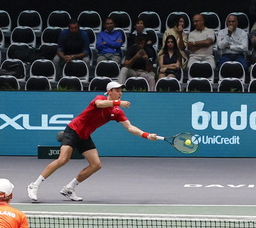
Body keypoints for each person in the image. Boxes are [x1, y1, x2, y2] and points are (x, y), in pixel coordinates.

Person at [26, 81, 159, 203]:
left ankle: (69, 188)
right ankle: (34, 185)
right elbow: (99, 105)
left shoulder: (117, 112)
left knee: (96, 164)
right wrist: (118, 102)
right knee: (63, 159)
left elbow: (129, 127)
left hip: (85, 136)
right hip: (73, 130)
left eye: (120, 91)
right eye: (117, 90)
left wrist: (147, 135)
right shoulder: (100, 99)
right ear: (109, 92)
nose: (120, 93)